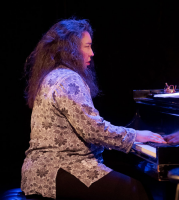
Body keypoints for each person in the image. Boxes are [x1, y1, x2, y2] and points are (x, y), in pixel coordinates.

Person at [21, 18, 167, 200]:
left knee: (130, 178)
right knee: (134, 190)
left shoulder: (52, 75)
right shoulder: (68, 79)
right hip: (59, 168)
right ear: (71, 50)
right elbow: (93, 131)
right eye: (87, 46)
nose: (92, 53)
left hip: (39, 171)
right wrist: (136, 135)